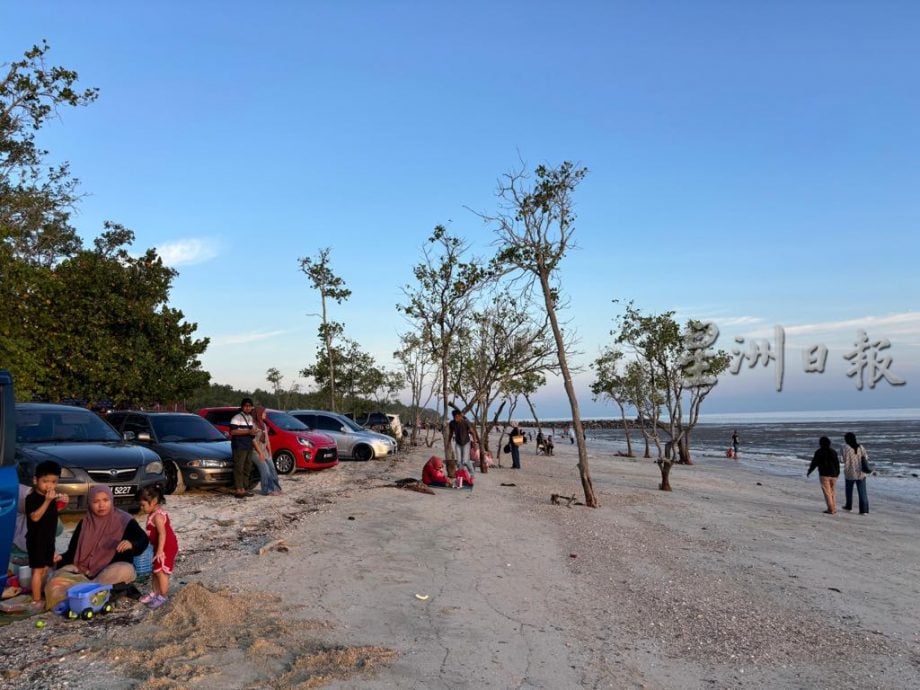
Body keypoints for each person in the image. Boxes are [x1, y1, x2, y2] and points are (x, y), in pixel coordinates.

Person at [45, 485, 149, 611]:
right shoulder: (84, 523)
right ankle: (93, 593)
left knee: (125, 570)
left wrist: (132, 544)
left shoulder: (124, 520)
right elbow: (72, 552)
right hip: (83, 572)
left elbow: (143, 540)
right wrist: (60, 557)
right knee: (52, 582)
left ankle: (83, 592)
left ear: (111, 500)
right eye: (96, 501)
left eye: (105, 500)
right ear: (89, 503)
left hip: (109, 573)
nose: (101, 505)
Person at [25, 461, 65, 610]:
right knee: (37, 569)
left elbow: (53, 514)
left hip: (48, 539)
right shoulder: (32, 498)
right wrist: (48, 501)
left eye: (53, 482)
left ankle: (40, 592)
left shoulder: (51, 498)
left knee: (46, 568)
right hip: (36, 540)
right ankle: (36, 600)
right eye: (45, 481)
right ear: (35, 480)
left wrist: (61, 502)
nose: (49, 485)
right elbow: (35, 517)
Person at [138, 485, 179, 609]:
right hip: (159, 547)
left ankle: (163, 596)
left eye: (143, 505)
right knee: (155, 571)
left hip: (166, 547)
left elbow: (162, 533)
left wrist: (160, 550)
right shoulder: (153, 514)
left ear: (154, 502)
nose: (141, 507)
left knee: (161, 572)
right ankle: (155, 592)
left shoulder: (158, 517)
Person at [229, 398, 257, 499]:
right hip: (239, 446)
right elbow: (233, 432)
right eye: (246, 406)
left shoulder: (250, 418)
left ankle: (244, 489)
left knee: (247, 467)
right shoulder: (236, 417)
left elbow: (250, 431)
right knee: (239, 468)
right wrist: (248, 432)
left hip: (248, 445)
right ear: (242, 407)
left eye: (249, 406)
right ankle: (238, 489)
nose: (248, 407)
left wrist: (253, 432)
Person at [252, 405, 282, 496]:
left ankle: (276, 488)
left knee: (272, 469)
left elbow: (267, 440)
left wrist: (270, 452)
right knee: (265, 469)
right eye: (264, 412)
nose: (265, 414)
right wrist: (260, 453)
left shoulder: (263, 424)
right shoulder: (253, 425)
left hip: (264, 449)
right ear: (259, 413)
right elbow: (253, 441)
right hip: (255, 451)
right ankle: (267, 490)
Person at [807, 436, 840, 514]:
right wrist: (838, 473)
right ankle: (834, 508)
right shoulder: (833, 451)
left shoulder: (819, 452)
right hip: (834, 474)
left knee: (827, 492)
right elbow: (837, 463)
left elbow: (814, 463)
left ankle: (831, 509)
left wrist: (809, 471)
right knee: (832, 492)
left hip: (824, 474)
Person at [841, 432, 870, 514]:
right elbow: (866, 458)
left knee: (849, 491)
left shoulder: (845, 447)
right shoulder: (861, 447)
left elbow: (842, 460)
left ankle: (848, 506)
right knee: (862, 492)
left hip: (849, 472)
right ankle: (864, 510)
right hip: (861, 473)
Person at [447, 409, 478, 479]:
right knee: (458, 462)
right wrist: (448, 442)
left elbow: (473, 433)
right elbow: (451, 433)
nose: (456, 418)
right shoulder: (452, 423)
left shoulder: (466, 422)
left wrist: (475, 443)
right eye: (454, 417)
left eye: (457, 417)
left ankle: (472, 474)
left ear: (460, 416)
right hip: (458, 443)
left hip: (466, 443)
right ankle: (461, 476)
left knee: (465, 461)